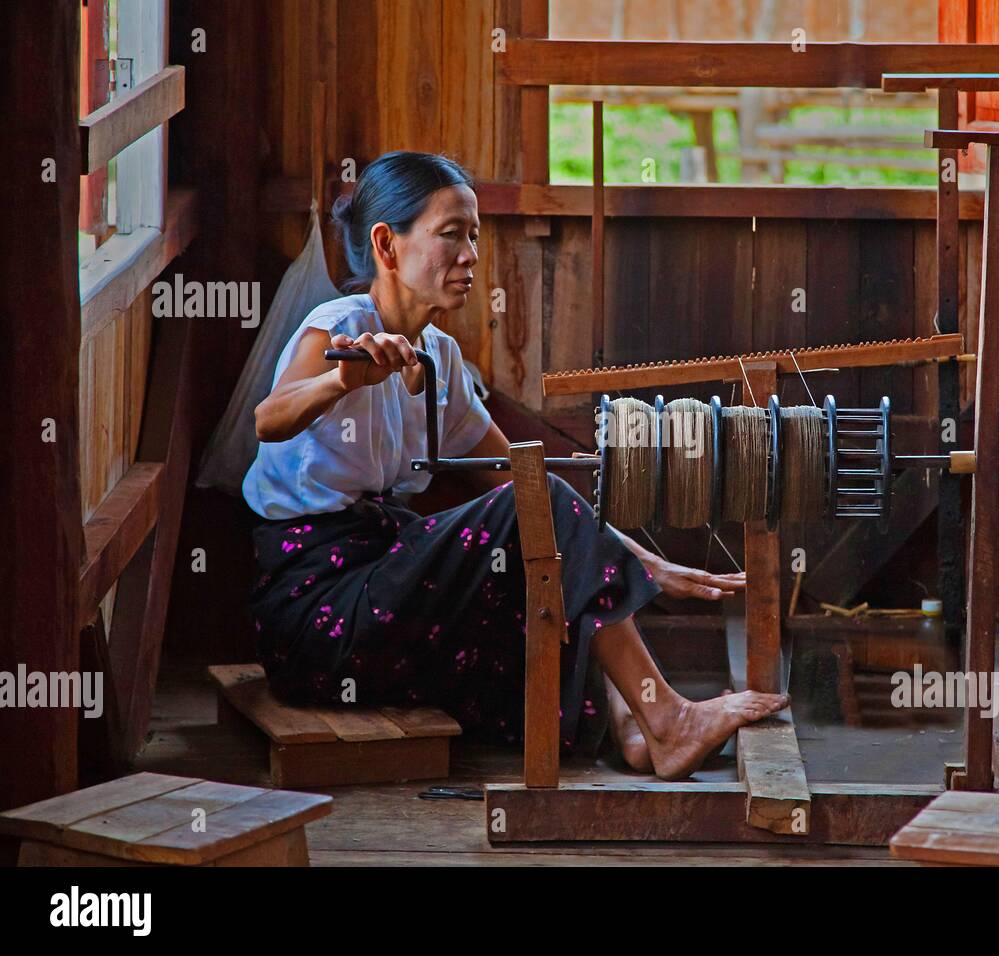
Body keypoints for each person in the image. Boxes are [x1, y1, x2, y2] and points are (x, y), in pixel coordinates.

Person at [243, 151, 788, 780]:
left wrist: (641, 560)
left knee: (537, 515)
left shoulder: (439, 360)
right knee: (542, 507)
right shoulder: (339, 327)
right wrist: (341, 381)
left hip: (377, 581)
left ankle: (632, 726)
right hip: (319, 613)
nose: (471, 256)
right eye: (451, 235)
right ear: (387, 245)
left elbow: (517, 477)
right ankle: (666, 721)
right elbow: (270, 418)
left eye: (474, 237)